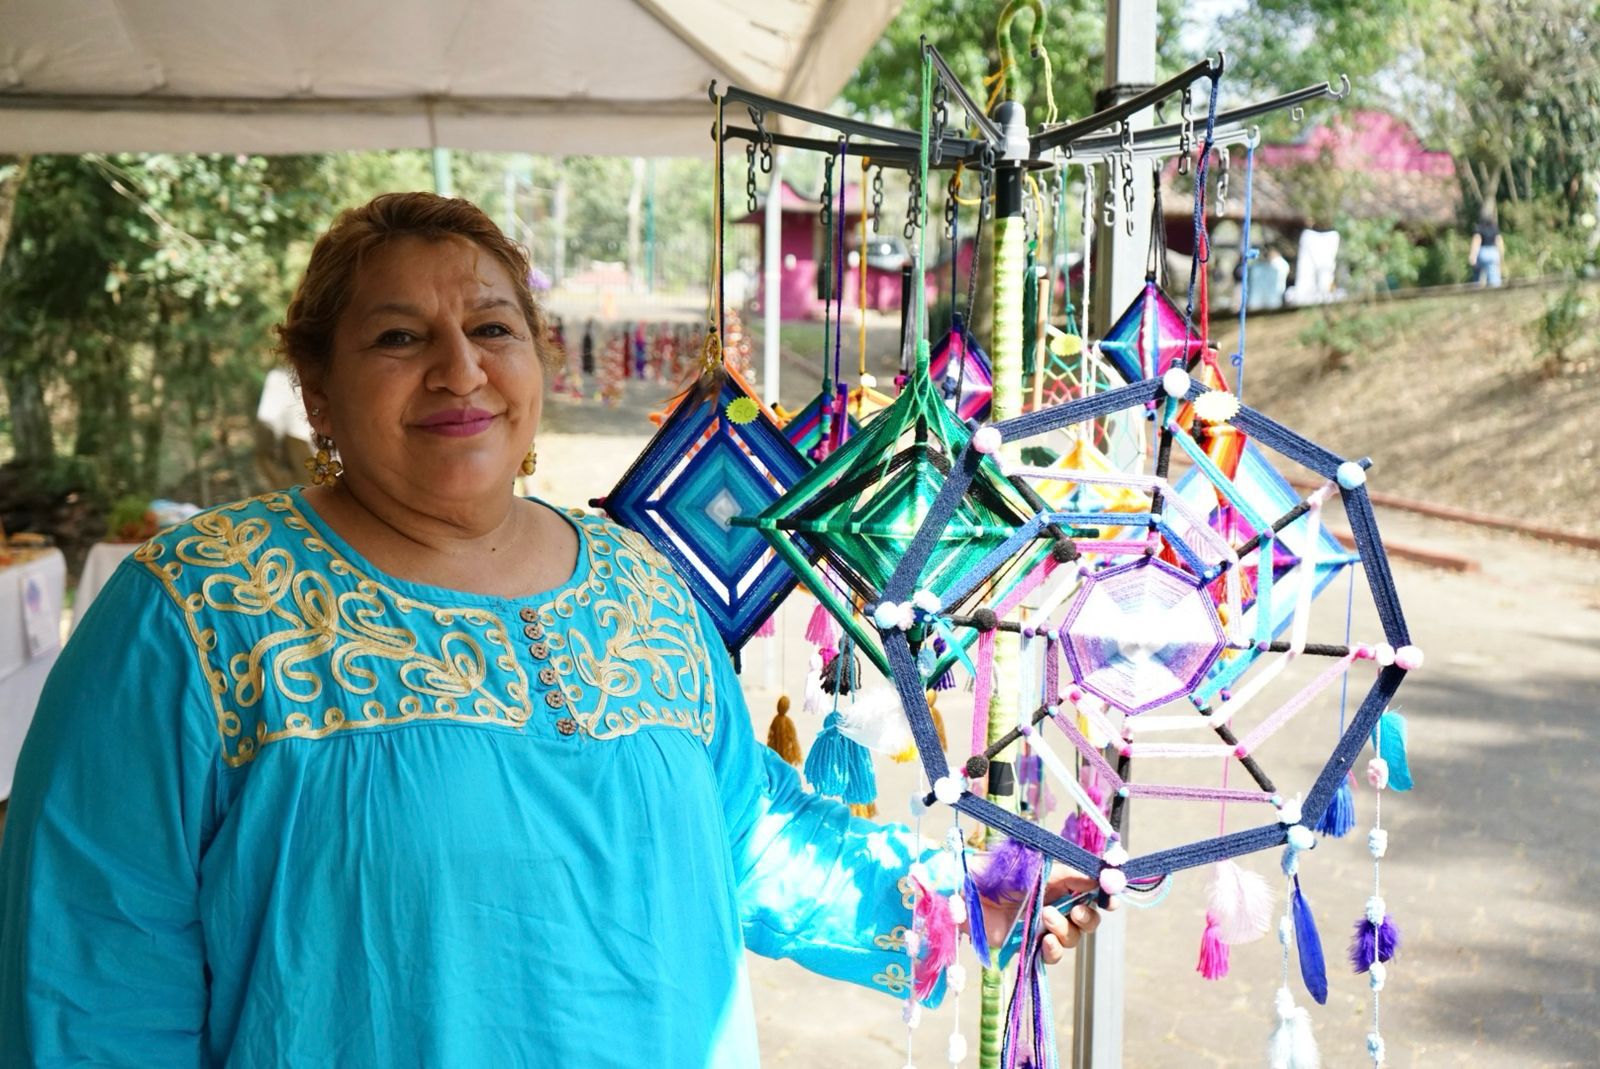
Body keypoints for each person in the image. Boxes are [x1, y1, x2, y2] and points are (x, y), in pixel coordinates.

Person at [0, 192, 1101, 1067]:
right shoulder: (197, 609)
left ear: (536, 361)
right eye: (399, 336)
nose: (460, 368)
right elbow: (90, 981)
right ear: (318, 391)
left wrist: (967, 890)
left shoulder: (643, 587)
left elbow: (751, 838)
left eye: (493, 327)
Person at [1469, 211, 1506, 287]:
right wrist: (1501, 256)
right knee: (1494, 277)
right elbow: (1499, 241)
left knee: (1477, 274)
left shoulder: (1479, 228)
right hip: (1493, 253)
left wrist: (1473, 256)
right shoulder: (1495, 228)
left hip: (1483, 252)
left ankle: (1477, 288)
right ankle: (1495, 289)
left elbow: (1477, 240)